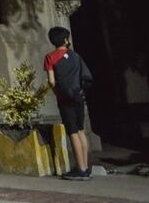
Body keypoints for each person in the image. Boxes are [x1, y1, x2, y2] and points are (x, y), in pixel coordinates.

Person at [45, 26, 94, 181]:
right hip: (79, 96)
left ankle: (80, 169)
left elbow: (51, 81)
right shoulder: (75, 56)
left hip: (64, 98)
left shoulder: (50, 57)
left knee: (72, 132)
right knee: (80, 130)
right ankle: (85, 166)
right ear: (66, 39)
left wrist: (58, 92)